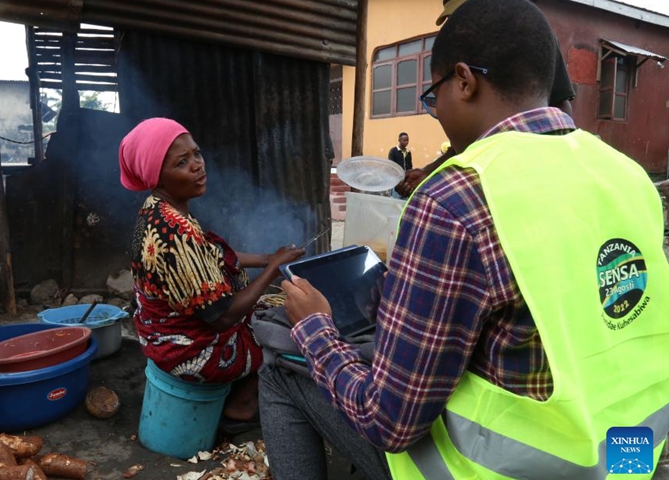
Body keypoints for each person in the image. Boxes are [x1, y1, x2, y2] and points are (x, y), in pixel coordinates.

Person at [260, 0, 669, 479]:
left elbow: (388, 422)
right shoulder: (627, 174)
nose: (436, 116)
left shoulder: (455, 198)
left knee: (279, 372)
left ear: (464, 80)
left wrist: (316, 328)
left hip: (507, 471)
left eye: (433, 99)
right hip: (631, 458)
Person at [119, 118, 304, 432]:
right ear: (157, 175)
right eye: (182, 162)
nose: (197, 166)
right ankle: (242, 407)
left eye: (196, 154)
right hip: (191, 350)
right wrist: (273, 269)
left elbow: (211, 254)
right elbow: (223, 317)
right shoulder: (176, 231)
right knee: (297, 329)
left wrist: (266, 258)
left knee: (274, 307)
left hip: (158, 334)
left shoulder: (158, 208)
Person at [396, 0, 576, 197]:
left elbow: (561, 108)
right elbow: (467, 143)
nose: (455, 27)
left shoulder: (530, 36)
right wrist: (431, 171)